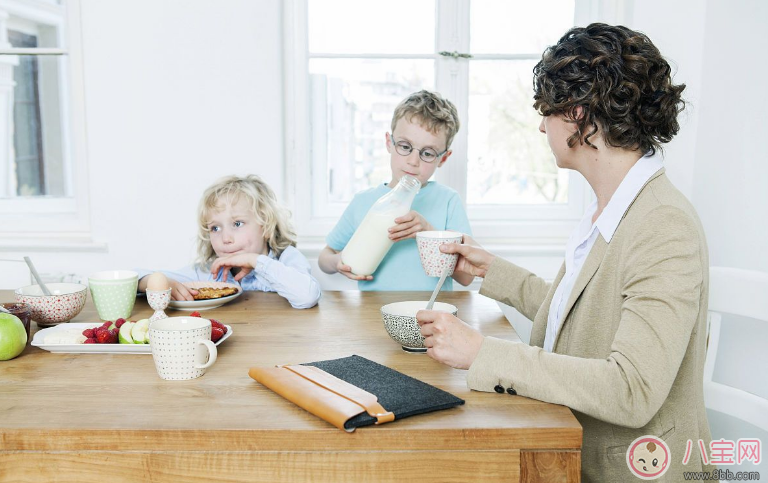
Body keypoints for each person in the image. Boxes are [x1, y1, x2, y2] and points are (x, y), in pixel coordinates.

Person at [417, 24, 714, 482]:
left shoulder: (663, 226)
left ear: (577, 115)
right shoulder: (613, 205)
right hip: (571, 443)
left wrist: (483, 353)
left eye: (546, 110)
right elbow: (583, 316)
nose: (540, 124)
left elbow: (632, 388)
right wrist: (492, 272)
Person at [318, 90, 473, 290]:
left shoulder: (448, 201)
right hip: (373, 314)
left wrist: (427, 232)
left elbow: (466, 277)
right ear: (388, 143)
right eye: (405, 146)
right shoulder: (364, 202)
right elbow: (325, 258)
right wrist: (338, 262)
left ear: (442, 158)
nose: (413, 161)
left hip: (431, 315)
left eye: (427, 153)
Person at [137, 175, 320, 309]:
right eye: (215, 228)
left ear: (265, 226)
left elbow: (307, 296)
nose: (225, 238)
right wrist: (155, 281)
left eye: (237, 224)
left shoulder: (287, 258)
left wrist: (256, 261)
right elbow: (133, 276)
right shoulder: (208, 272)